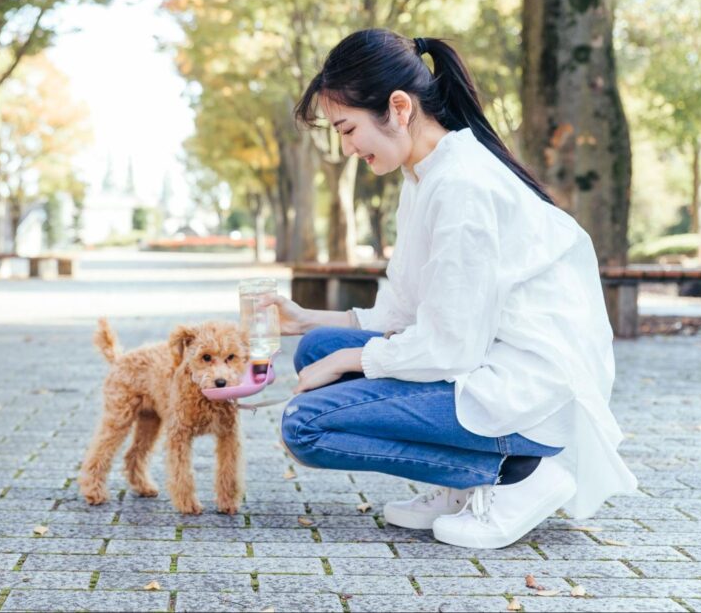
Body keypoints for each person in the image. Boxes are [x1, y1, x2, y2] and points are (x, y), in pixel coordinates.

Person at [268, 29, 637, 549]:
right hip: (482, 360)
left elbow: (448, 346)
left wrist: (350, 363)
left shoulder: (463, 186)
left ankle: (516, 476)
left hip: (526, 392)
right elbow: (402, 309)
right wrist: (304, 321)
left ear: (399, 108)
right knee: (315, 349)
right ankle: (459, 480)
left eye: (348, 129)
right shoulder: (424, 176)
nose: (348, 148)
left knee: (306, 425)